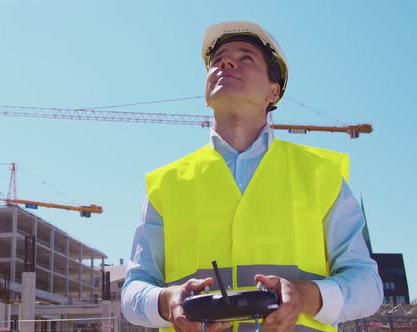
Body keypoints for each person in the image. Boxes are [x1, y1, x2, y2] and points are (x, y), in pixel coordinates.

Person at [121, 21, 383, 332]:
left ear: (274, 91)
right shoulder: (165, 184)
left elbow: (368, 285)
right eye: (217, 60)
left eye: (246, 58)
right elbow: (134, 290)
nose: (226, 63)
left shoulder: (320, 175)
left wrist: (306, 295)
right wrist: (166, 301)